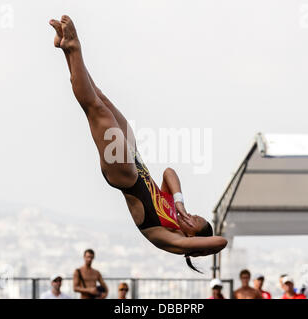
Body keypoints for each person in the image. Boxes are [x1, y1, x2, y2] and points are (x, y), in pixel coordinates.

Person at [49, 15, 227, 273]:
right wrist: (179, 203)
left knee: (95, 109)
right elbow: (168, 172)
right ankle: (66, 48)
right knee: (100, 97)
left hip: (125, 176)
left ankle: (74, 46)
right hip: (135, 159)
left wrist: (192, 242)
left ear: (193, 240)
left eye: (193, 221)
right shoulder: (174, 210)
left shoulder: (171, 237)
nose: (190, 216)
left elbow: (220, 242)